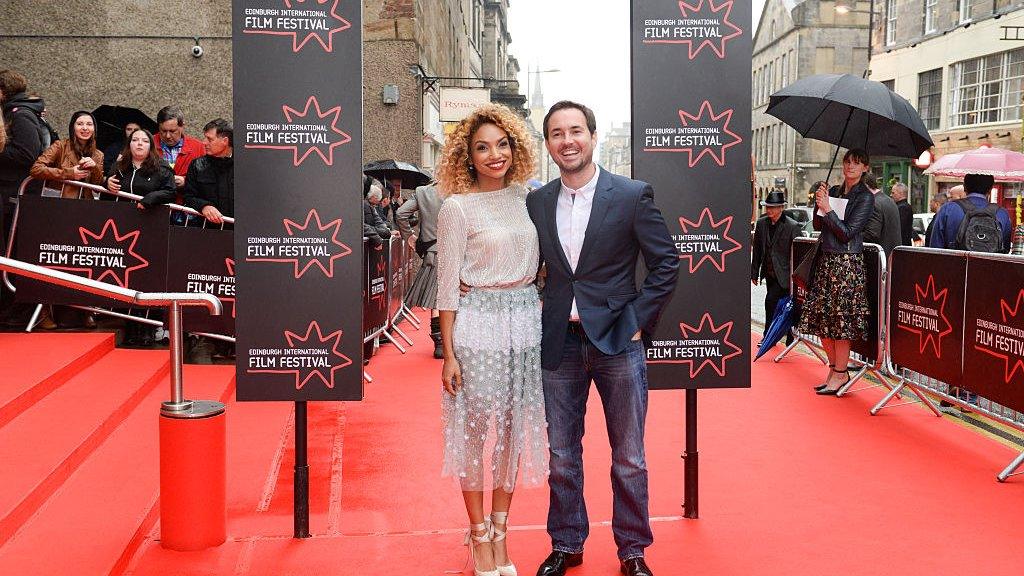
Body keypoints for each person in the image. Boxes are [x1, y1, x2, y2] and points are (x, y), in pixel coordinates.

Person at [527, 101, 678, 576]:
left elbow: (666, 262)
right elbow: (532, 266)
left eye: (575, 131)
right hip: (560, 343)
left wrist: (636, 321)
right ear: (548, 143)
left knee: (629, 455)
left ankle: (632, 550)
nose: (566, 141)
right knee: (561, 454)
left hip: (618, 342)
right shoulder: (538, 201)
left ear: (591, 137)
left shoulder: (631, 195)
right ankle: (567, 542)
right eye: (556, 133)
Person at [435, 103, 546, 576]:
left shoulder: (528, 199)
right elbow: (446, 285)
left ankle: (502, 534)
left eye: (501, 144)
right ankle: (479, 538)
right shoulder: (457, 208)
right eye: (482, 147)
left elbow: (545, 259)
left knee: (512, 435)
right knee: (475, 434)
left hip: (524, 323)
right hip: (478, 326)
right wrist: (449, 353)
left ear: (515, 147)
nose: (494, 154)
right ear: (468, 156)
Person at [801, 148, 875, 395]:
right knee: (821, 320)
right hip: (826, 260)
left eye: (856, 163)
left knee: (841, 322)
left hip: (847, 264)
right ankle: (833, 370)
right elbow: (818, 225)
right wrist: (819, 202)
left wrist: (829, 209)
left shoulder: (865, 197)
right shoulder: (832, 191)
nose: (850, 167)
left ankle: (841, 373)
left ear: (865, 168)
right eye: (847, 162)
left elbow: (847, 232)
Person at [105, 128, 176, 347]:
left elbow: (170, 191)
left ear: (150, 145)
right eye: (134, 140)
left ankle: (148, 326)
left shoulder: (161, 167)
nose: (139, 144)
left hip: (151, 229)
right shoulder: (120, 166)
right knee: (126, 277)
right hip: (124, 231)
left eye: (144, 140)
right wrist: (106, 182)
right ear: (129, 145)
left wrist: (150, 198)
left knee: (149, 278)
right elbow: (107, 190)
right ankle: (130, 326)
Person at [0, 70, 50, 326]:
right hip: (11, 194)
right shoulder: (20, 111)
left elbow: (26, 154)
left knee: (13, 253)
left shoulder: (21, 115)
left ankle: (16, 311)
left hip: (15, 196)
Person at [396, 183, 444, 358]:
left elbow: (401, 214)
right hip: (460, 252)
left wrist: (409, 237)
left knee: (436, 298)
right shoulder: (464, 188)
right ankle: (450, 341)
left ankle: (440, 344)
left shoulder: (423, 192)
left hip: (434, 252)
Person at [751, 189, 800, 346]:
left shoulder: (792, 226)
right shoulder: (761, 224)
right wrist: (754, 273)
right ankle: (777, 336)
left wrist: (796, 277)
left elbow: (797, 253)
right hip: (769, 273)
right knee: (778, 305)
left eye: (773, 207)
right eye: (767, 207)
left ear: (781, 208)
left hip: (786, 274)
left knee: (773, 302)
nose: (769, 210)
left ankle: (774, 336)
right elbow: (757, 250)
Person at [30, 110, 104, 198]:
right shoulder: (60, 146)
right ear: (73, 127)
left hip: (85, 205)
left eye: (89, 124)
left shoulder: (98, 155)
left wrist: (94, 168)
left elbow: (98, 186)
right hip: (59, 202)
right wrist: (69, 173)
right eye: (80, 124)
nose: (85, 128)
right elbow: (36, 169)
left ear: (94, 128)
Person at [929, 173, 1011, 251]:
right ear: (990, 190)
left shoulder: (948, 209)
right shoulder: (1002, 213)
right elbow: (1005, 249)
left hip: (953, 264)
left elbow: (935, 247)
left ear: (964, 187)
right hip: (989, 265)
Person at [183, 118, 233, 226]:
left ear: (225, 141)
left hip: (239, 234)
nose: (204, 142)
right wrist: (204, 206)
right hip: (206, 230)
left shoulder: (244, 166)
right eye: (205, 138)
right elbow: (188, 196)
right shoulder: (197, 165)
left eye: (209, 139)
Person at [862, 172, 901, 257]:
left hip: (879, 260)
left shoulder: (873, 203)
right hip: (890, 257)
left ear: (866, 186)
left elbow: (871, 235)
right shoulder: (889, 200)